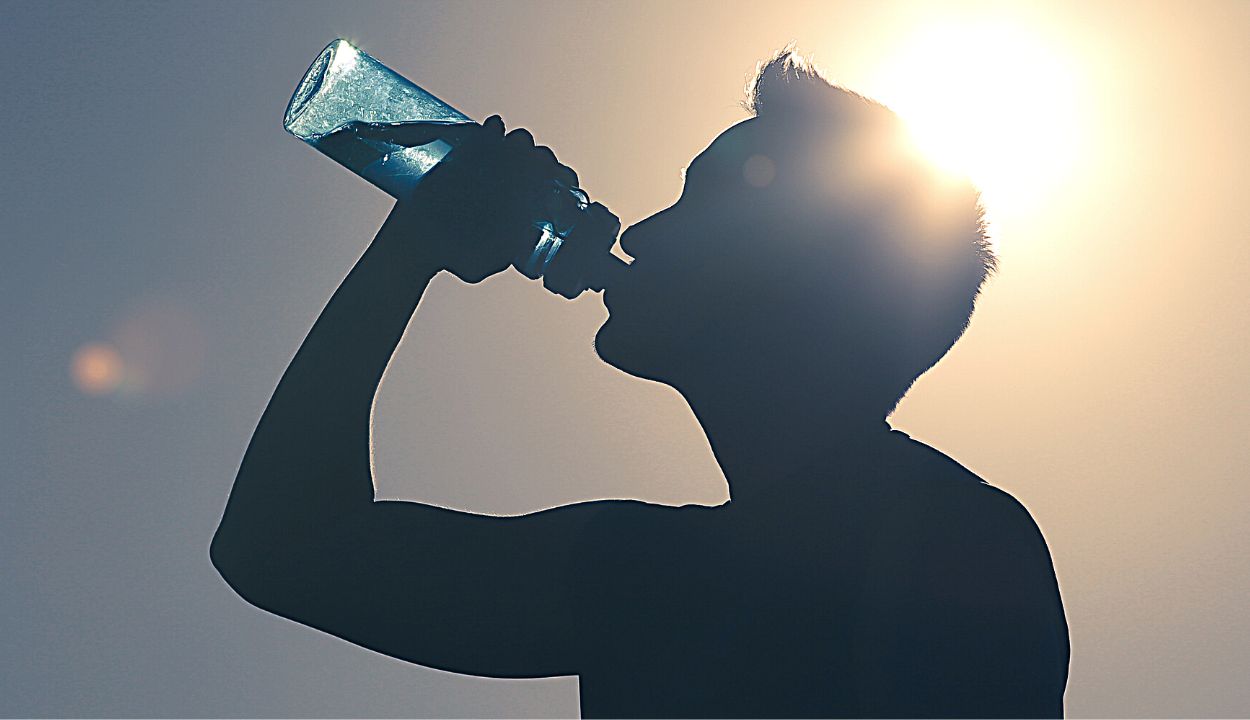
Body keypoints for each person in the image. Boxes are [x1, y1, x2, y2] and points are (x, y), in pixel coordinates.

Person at [211, 51, 1069, 718]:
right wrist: (410, 249)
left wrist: (410, 254)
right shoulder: (655, 574)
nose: (642, 231)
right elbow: (278, 552)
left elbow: (284, 549)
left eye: (698, 203)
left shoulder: (945, 548)